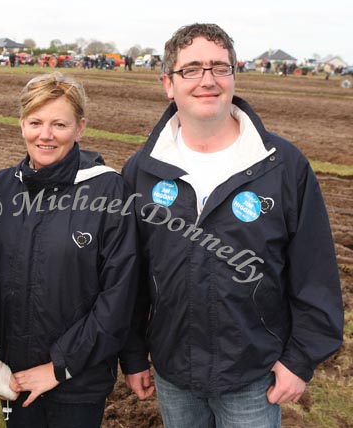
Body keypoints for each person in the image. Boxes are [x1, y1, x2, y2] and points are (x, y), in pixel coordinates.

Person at [120, 23, 344, 428]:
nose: (207, 80)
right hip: (174, 374)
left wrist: (299, 359)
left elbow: (315, 271)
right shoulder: (143, 170)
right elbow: (132, 274)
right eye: (191, 69)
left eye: (219, 68)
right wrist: (134, 352)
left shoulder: (282, 164)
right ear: (168, 84)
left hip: (253, 376)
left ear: (233, 77)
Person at [0, 72, 139, 428]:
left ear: (79, 128)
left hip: (77, 384)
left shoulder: (108, 192)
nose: (45, 134)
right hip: (14, 379)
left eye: (59, 124)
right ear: (22, 125)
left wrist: (59, 367)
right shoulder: (0, 188)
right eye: (35, 122)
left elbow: (119, 294)